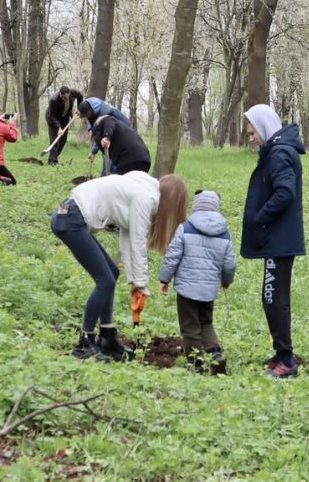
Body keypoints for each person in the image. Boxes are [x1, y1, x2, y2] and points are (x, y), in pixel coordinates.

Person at [53, 172, 187, 362]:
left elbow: (128, 236)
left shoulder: (142, 186)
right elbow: (138, 241)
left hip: (69, 214)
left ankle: (107, 336)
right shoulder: (146, 198)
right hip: (70, 219)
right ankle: (85, 341)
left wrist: (135, 280)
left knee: (112, 273)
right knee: (105, 281)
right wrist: (141, 283)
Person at [242, 104, 306, 378]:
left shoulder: (279, 153)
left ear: (264, 127)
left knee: (273, 299)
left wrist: (260, 217)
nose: (251, 138)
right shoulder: (278, 150)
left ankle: (287, 361)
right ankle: (282, 353)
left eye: (252, 132)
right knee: (274, 298)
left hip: (279, 239)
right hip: (279, 238)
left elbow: (285, 192)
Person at [158, 190, 237, 374]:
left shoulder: (185, 228)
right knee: (206, 322)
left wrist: (164, 279)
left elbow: (172, 256)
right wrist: (226, 281)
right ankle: (215, 354)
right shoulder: (224, 234)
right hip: (209, 289)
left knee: (189, 327)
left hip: (186, 289)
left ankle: (196, 364)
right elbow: (230, 263)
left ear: (196, 206)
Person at [80, 97, 132, 175]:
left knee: (108, 155)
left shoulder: (103, 114)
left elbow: (101, 137)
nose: (86, 116)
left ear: (90, 110)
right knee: (107, 153)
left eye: (86, 114)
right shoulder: (91, 104)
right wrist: (90, 129)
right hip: (110, 130)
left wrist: (93, 152)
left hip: (121, 130)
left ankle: (107, 177)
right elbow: (90, 119)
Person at [45, 86, 84, 166]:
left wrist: (80, 109)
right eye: (63, 98)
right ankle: (53, 162)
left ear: (69, 93)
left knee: (63, 140)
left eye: (66, 98)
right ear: (60, 94)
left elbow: (80, 96)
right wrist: (59, 128)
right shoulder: (53, 100)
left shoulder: (74, 92)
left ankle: (53, 157)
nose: (64, 99)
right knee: (55, 139)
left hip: (65, 117)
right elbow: (52, 116)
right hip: (53, 118)